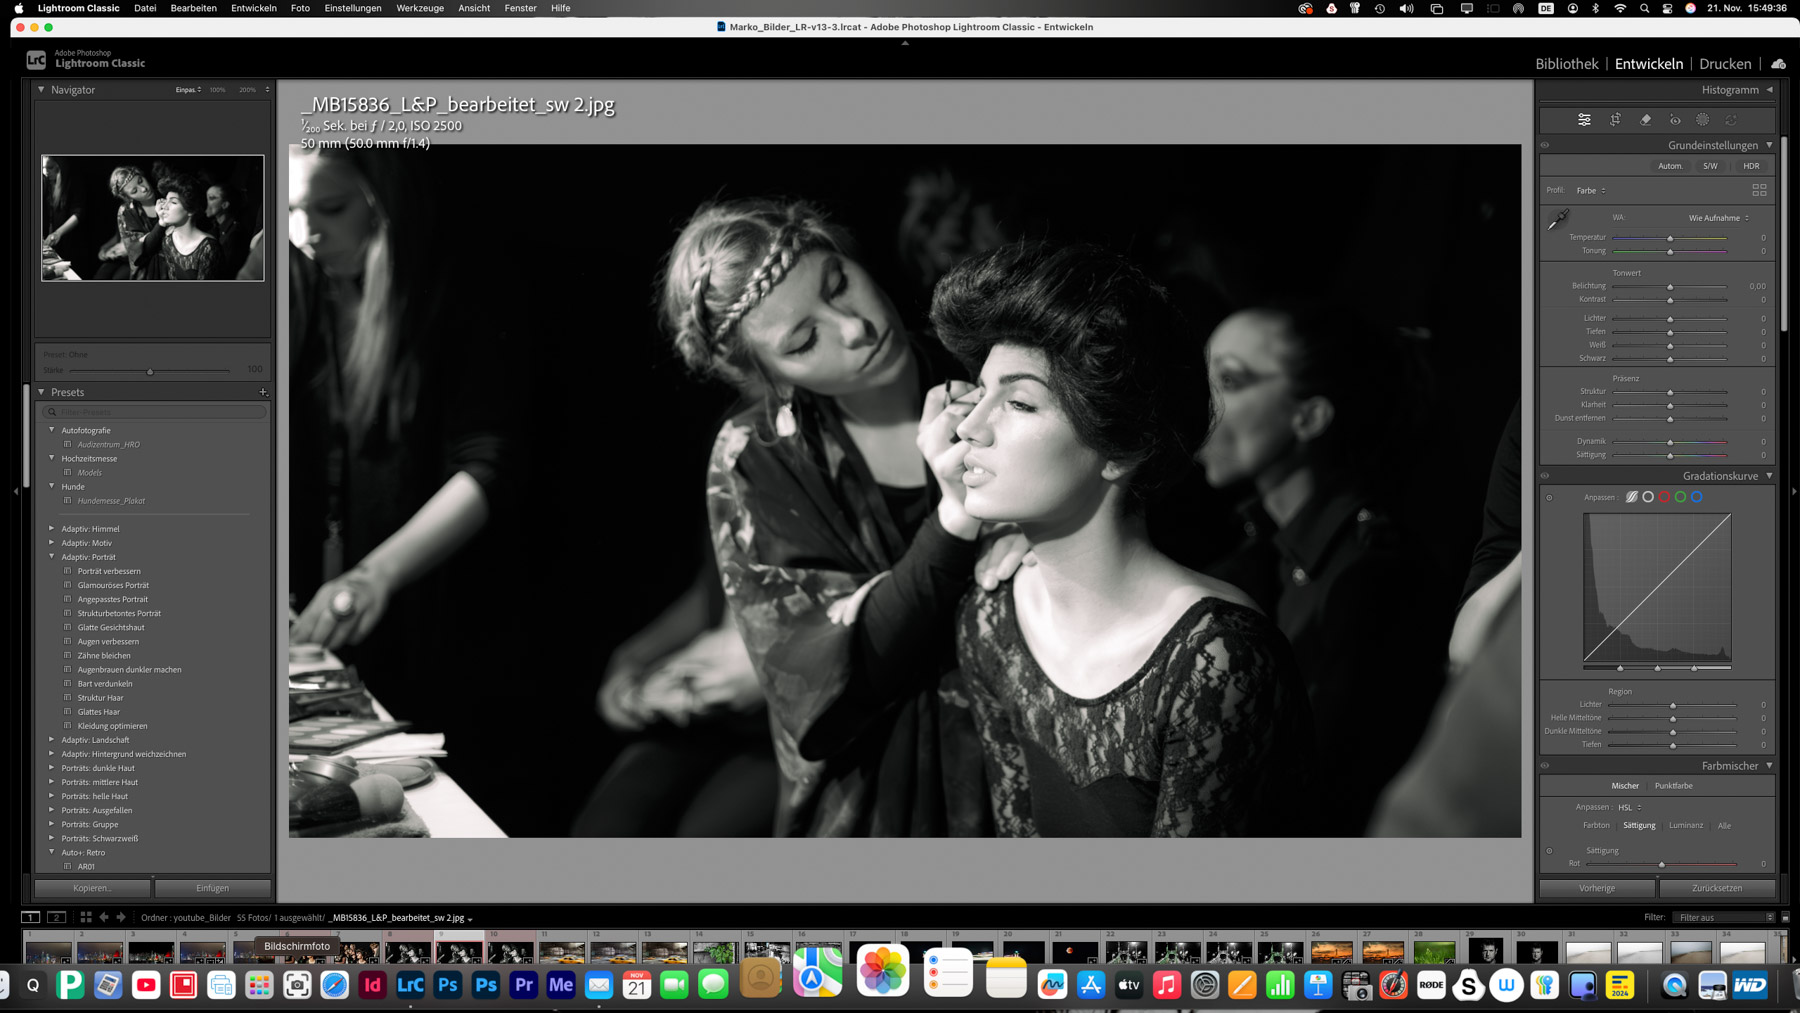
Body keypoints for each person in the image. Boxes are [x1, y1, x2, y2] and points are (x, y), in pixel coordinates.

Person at [934, 241, 1313, 837]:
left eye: (1019, 403)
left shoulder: (1218, 658)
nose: (970, 427)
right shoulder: (990, 616)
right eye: (979, 393)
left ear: (1121, 448)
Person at [666, 197, 995, 837]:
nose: (854, 329)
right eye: (804, 340)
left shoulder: (982, 368)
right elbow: (840, 677)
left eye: (839, 284)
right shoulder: (757, 458)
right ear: (769, 376)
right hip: (875, 804)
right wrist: (958, 523)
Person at [1195, 304, 1449, 836]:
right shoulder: (1251, 551)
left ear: (1309, 416)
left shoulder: (1377, 579)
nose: (1202, 400)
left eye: (1230, 381)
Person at [154, 173, 225, 280]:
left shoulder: (208, 248)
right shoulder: (168, 241)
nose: (164, 206)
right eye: (165, 200)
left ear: (191, 210)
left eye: (173, 202)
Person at [95, 165, 159, 280]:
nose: (143, 189)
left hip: (154, 262)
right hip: (134, 260)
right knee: (101, 277)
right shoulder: (127, 211)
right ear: (128, 197)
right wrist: (106, 249)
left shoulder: (166, 197)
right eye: (134, 191)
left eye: (140, 181)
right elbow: (124, 241)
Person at [42, 156, 86, 277]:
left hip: (71, 238)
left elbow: (78, 213)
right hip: (51, 237)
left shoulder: (73, 182)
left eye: (50, 168)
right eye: (44, 168)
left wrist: (58, 233)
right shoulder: (45, 182)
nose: (46, 172)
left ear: (60, 167)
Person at [205, 181, 253, 279]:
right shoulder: (214, 228)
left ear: (225, 204)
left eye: (211, 198)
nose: (206, 202)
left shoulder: (236, 234)